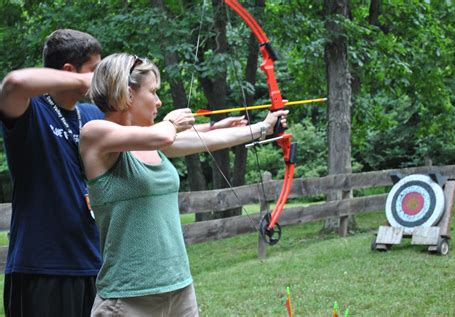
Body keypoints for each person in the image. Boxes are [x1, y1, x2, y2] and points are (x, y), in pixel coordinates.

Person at [79, 53, 288, 316]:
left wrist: (263, 128)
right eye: (153, 92)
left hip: (179, 289)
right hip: (128, 299)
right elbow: (163, 135)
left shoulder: (155, 140)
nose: (158, 101)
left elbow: (211, 140)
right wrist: (171, 122)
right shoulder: (94, 134)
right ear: (128, 93)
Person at [0, 29, 103, 316]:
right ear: (70, 70)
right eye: (95, 68)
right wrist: (85, 80)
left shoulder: (92, 115)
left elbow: (144, 134)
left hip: (91, 263)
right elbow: (15, 82)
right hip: (41, 267)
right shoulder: (31, 109)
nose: (99, 77)